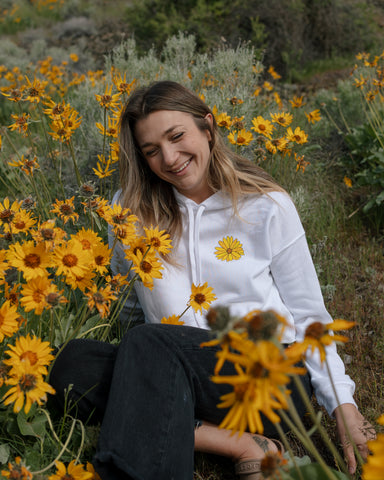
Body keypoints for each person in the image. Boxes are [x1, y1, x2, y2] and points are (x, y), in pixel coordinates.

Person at [50, 81, 375, 480]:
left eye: (177, 136)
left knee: (148, 344)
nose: (169, 158)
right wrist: (143, 368)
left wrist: (342, 402)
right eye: (151, 150)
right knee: (72, 365)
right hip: (177, 369)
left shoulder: (266, 205)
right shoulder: (129, 211)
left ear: (208, 127)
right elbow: (130, 310)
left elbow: (309, 315)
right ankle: (236, 442)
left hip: (267, 378)